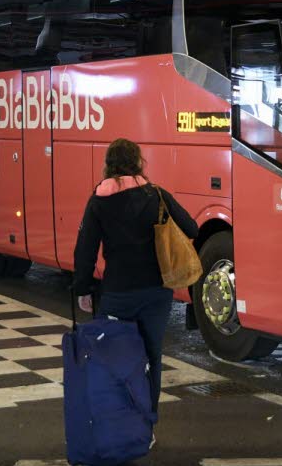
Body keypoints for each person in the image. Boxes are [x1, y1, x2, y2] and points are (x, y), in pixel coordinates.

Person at [71, 138, 197, 423]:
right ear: (139, 162)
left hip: (118, 294)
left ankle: (117, 422)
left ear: (108, 165)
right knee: (152, 357)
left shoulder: (98, 201)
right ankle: (147, 424)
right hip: (157, 292)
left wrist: (83, 288)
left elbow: (85, 249)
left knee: (113, 357)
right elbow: (191, 227)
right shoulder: (156, 195)